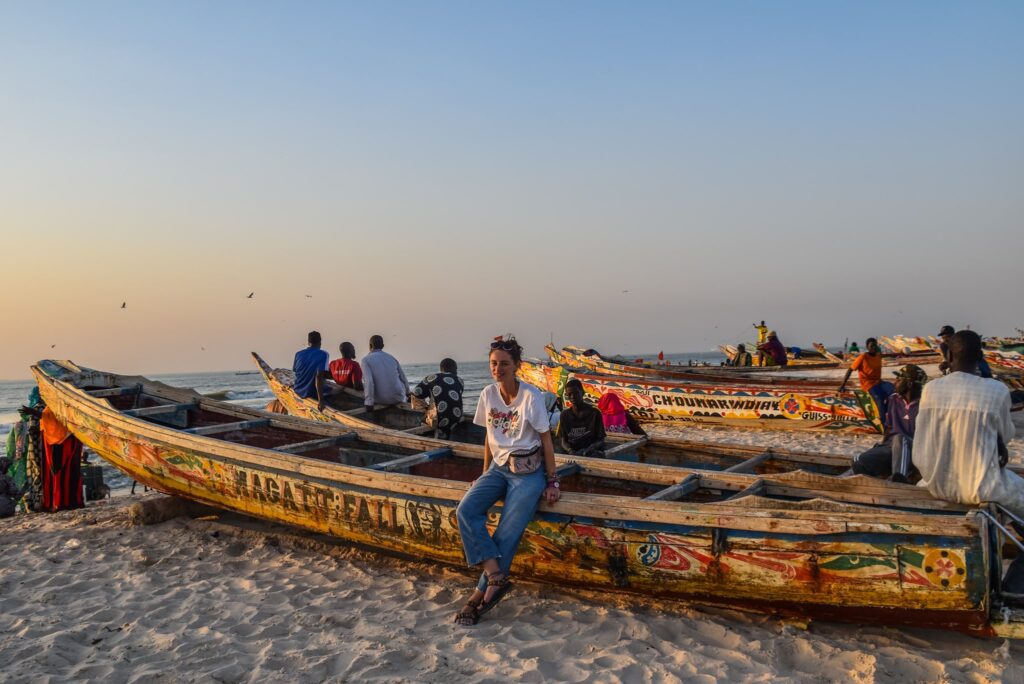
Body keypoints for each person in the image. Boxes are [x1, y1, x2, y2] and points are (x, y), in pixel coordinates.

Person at [454, 336, 559, 626]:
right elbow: (489, 438)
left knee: (505, 536)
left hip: (527, 476)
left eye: (503, 364)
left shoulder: (531, 397)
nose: (497, 369)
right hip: (498, 470)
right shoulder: (488, 394)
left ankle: (478, 597)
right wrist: (484, 472)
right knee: (465, 510)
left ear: (516, 367)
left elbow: (546, 441)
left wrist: (552, 482)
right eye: (493, 364)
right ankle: (495, 575)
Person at [914, 330, 1018, 521]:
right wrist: (997, 440)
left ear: (949, 356)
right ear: (980, 357)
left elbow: (922, 442)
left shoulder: (930, 389)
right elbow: (1006, 434)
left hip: (936, 484)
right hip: (982, 488)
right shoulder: (997, 390)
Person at [851, 364, 927, 482]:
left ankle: (899, 479)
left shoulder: (925, 404)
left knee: (900, 439)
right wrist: (881, 446)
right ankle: (884, 479)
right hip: (890, 447)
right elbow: (889, 427)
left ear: (909, 384)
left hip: (914, 449)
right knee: (858, 460)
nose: (895, 382)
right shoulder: (893, 399)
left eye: (899, 379)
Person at [839, 338, 894, 426]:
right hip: (868, 384)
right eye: (871, 346)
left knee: (894, 390)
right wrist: (842, 385)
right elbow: (850, 369)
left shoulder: (878, 355)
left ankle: (885, 410)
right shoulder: (863, 357)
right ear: (867, 347)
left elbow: (892, 356)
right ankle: (883, 423)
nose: (873, 348)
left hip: (879, 382)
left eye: (875, 345)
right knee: (879, 398)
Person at [411, 358, 464, 440]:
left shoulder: (431, 378)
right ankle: (443, 435)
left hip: (439, 418)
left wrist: (425, 407)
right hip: (457, 417)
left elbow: (415, 393)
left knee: (423, 421)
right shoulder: (460, 380)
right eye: (456, 368)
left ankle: (428, 438)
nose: (456, 371)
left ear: (441, 368)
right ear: (452, 368)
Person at [558, 379, 606, 457]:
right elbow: (563, 441)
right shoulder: (565, 415)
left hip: (591, 454)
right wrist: (570, 451)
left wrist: (587, 450)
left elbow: (601, 440)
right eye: (569, 394)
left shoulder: (594, 413)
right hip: (572, 454)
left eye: (576, 393)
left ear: (582, 393)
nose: (572, 397)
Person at [361, 335, 410, 410]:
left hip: (381, 400)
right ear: (383, 346)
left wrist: (369, 402)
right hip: (398, 398)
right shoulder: (392, 358)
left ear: (370, 346)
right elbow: (403, 378)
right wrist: (408, 394)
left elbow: (369, 382)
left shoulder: (365, 360)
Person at [293, 331, 331, 410]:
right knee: (334, 390)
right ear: (320, 342)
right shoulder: (323, 354)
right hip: (312, 393)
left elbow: (296, 371)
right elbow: (319, 376)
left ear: (308, 342)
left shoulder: (298, 354)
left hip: (298, 390)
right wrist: (321, 400)